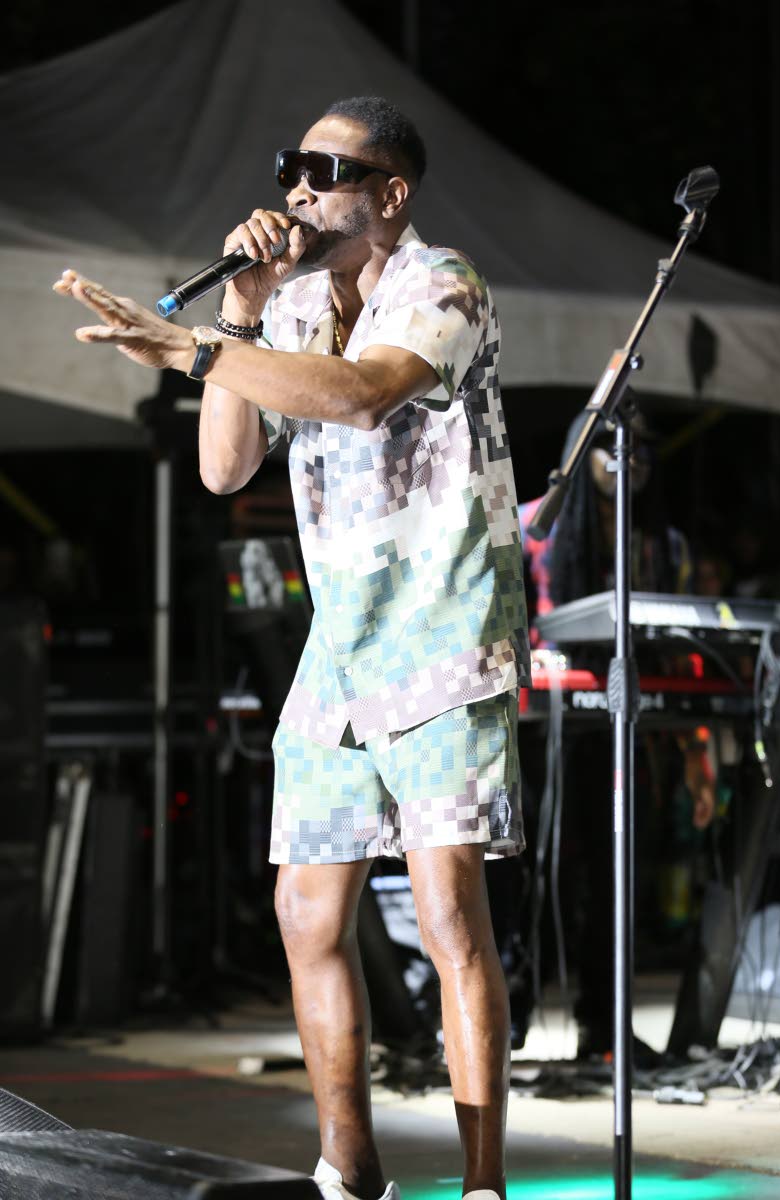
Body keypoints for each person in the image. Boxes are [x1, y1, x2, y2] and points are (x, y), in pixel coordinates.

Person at [54, 96, 530, 1200]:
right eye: (289, 170)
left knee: (449, 910)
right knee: (305, 912)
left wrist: (190, 348)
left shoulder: (441, 282)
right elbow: (225, 469)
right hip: (342, 650)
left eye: (326, 170)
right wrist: (242, 313)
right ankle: (349, 1172)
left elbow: (364, 399)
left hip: (444, 631)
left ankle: (482, 1184)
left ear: (388, 195)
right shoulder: (297, 300)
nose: (298, 190)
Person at [517, 413, 712, 1058]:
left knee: (616, 876)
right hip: (543, 730)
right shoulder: (532, 526)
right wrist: (530, 655)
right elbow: (502, 613)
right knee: (532, 874)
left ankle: (604, 1027)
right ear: (582, 453)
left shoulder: (662, 545)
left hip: (625, 728)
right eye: (610, 449)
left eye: (640, 453)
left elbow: (679, 648)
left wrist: (696, 752)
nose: (628, 463)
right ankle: (507, 1022)